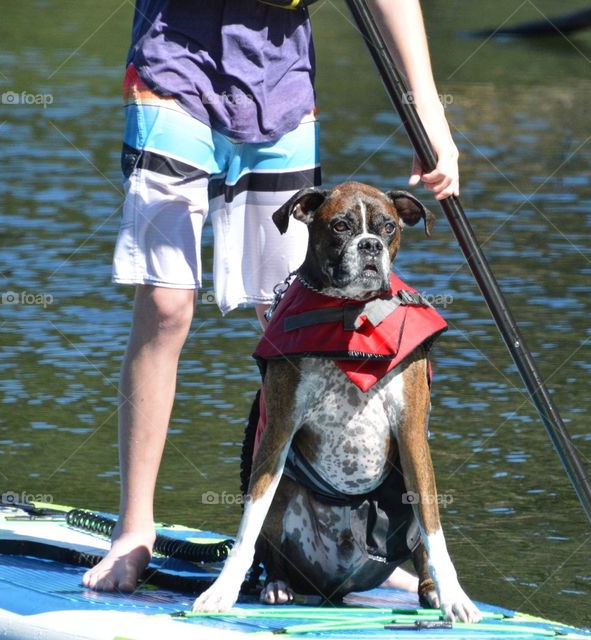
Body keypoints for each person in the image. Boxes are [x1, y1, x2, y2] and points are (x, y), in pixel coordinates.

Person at [82, 0, 459, 594]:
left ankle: (355, 541)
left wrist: (427, 109)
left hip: (280, 88)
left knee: (298, 314)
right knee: (166, 304)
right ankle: (134, 530)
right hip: (173, 72)